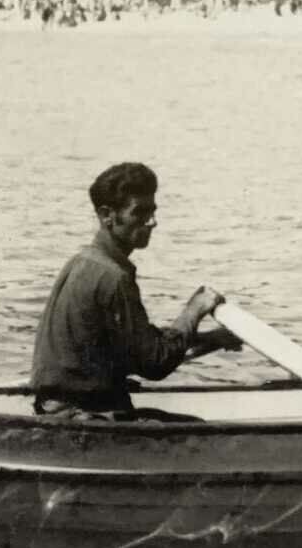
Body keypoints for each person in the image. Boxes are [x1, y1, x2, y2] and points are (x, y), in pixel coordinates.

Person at [30, 162, 241, 420]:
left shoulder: (82, 261)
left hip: (60, 407)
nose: (152, 222)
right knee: (200, 433)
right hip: (83, 414)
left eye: (152, 211)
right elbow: (154, 364)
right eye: (140, 213)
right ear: (107, 215)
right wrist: (194, 310)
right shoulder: (113, 277)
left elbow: (136, 346)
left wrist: (214, 339)